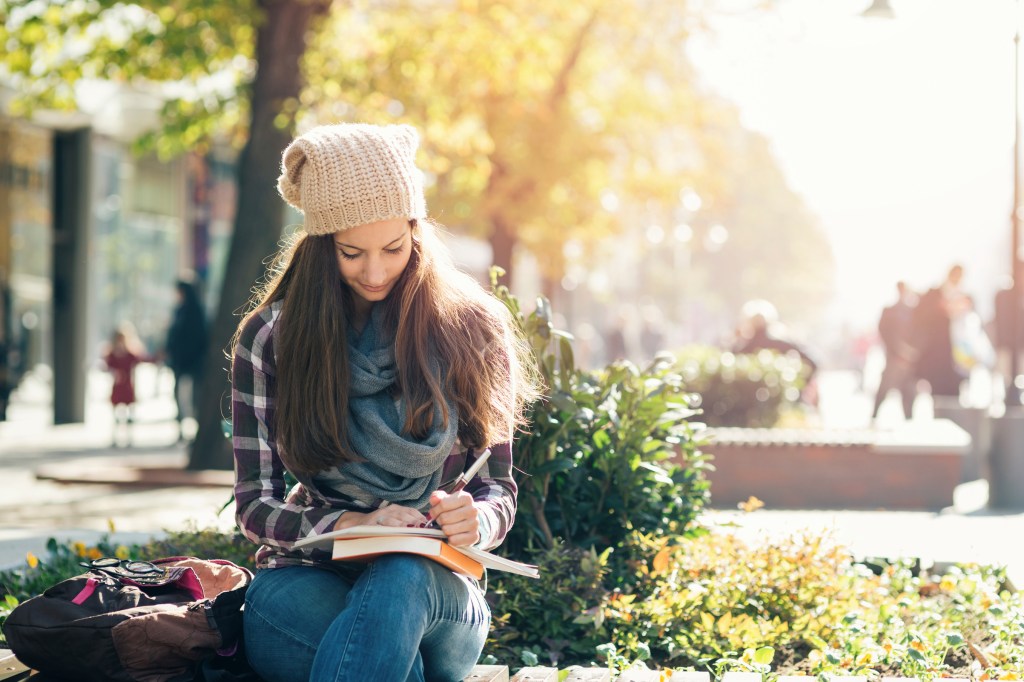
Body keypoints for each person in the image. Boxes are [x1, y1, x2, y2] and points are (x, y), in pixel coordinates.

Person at [230, 123, 541, 682]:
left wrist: (479, 520)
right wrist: (349, 522)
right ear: (323, 246)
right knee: (387, 650)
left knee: (400, 577)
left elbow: (498, 488)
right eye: (351, 253)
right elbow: (255, 505)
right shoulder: (271, 337)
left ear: (416, 234)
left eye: (394, 249)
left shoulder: (473, 329)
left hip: (436, 585)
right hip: (306, 578)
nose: (375, 273)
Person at [909, 264, 971, 402]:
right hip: (937, 355)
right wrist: (941, 309)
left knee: (954, 393)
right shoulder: (933, 295)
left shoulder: (965, 296)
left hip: (958, 354)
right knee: (938, 393)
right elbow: (919, 318)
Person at [164, 276, 207, 441]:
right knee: (178, 396)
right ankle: (181, 430)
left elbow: (199, 337)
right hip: (179, 363)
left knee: (194, 397)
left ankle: (195, 430)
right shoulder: (179, 311)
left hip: (194, 362)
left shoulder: (196, 311)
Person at [871, 281, 918, 421]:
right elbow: (884, 332)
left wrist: (912, 352)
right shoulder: (889, 311)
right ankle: (874, 417)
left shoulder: (914, 311)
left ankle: (909, 420)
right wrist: (899, 350)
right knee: (884, 390)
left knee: (909, 393)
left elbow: (919, 333)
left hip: (910, 361)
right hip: (893, 358)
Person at [101, 322, 149, 447]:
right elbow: (107, 367)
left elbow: (142, 360)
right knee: (115, 415)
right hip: (117, 387)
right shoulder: (112, 355)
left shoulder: (130, 355)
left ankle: (129, 438)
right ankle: (115, 438)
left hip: (127, 387)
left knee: (129, 415)